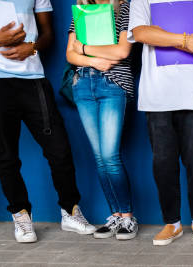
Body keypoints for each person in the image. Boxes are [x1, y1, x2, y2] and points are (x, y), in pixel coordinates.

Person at [128, 0, 193, 246]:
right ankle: (171, 223)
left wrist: (160, 36)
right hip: (157, 97)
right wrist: (186, 40)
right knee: (163, 163)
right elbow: (141, 32)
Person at [0, 0, 96, 243]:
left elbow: (48, 34)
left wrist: (30, 48)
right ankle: (21, 215)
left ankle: (70, 211)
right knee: (5, 157)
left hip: (33, 80)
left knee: (59, 150)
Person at [66, 0, 137, 240]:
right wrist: (94, 59)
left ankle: (127, 218)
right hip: (83, 83)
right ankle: (115, 215)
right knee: (99, 157)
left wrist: (84, 49)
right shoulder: (81, 9)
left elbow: (122, 51)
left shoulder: (126, 6)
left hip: (112, 84)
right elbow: (69, 54)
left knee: (110, 156)